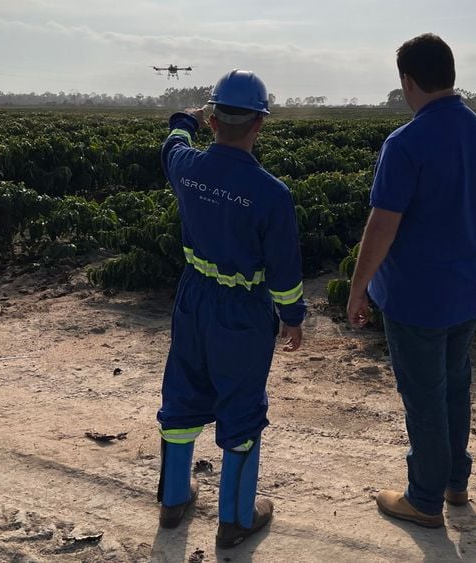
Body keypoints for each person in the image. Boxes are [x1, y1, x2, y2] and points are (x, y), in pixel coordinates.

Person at [347, 34, 476, 528]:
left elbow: (382, 226)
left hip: (416, 297)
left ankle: (423, 497)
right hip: (466, 288)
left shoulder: (406, 142)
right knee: (456, 385)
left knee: (424, 398)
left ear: (408, 81)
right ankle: (456, 483)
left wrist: (358, 288)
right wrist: (463, 247)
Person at [156, 69, 306, 548]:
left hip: (193, 296)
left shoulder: (187, 167)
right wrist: (294, 318)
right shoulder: (272, 194)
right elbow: (284, 272)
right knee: (240, 406)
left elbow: (171, 141)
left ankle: (174, 500)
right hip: (242, 311)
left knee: (183, 391)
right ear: (260, 124)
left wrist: (187, 117)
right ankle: (236, 519)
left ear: (214, 119)